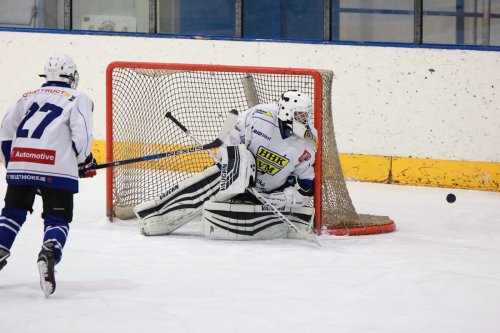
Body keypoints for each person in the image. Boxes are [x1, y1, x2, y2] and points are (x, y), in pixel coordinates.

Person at [134, 90, 317, 239]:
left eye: (306, 115)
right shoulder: (261, 115)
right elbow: (232, 132)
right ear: (286, 111)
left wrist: (285, 198)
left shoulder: (307, 144)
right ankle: (155, 215)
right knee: (215, 178)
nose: (304, 119)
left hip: (267, 195)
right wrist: (234, 163)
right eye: (300, 115)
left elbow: (307, 187)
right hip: (236, 179)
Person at [0, 54, 96, 298]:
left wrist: (15, 164)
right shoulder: (78, 97)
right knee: (57, 218)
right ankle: (49, 253)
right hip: (56, 167)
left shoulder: (27, 96)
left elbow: (5, 130)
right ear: (71, 76)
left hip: (21, 163)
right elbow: (81, 134)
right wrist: (82, 162)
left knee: (12, 213)